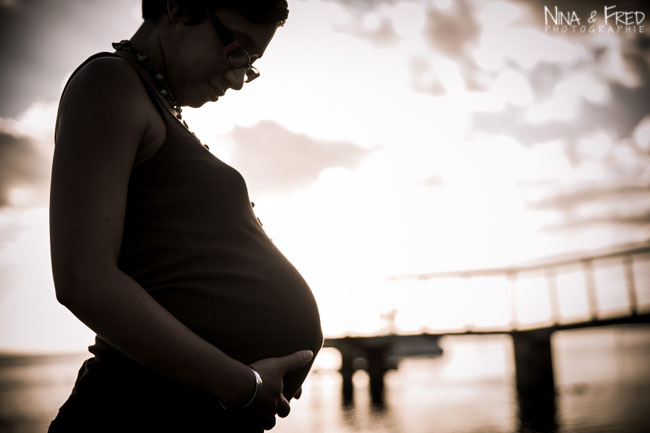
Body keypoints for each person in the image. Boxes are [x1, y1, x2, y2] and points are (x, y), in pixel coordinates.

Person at [47, 0, 323, 431]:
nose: (237, 78)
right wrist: (243, 386)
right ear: (178, 6)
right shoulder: (110, 82)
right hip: (133, 413)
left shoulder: (158, 106)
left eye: (250, 65)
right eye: (237, 49)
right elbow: (84, 281)